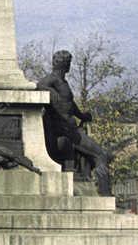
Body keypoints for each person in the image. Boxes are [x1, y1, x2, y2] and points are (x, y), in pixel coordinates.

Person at [37, 50, 113, 196]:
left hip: (72, 128)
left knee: (101, 155)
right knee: (102, 155)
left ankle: (97, 190)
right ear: (65, 65)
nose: (68, 65)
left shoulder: (63, 82)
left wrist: (82, 115)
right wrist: (51, 94)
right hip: (66, 130)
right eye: (67, 62)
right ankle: (105, 194)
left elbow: (70, 103)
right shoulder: (52, 80)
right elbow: (39, 85)